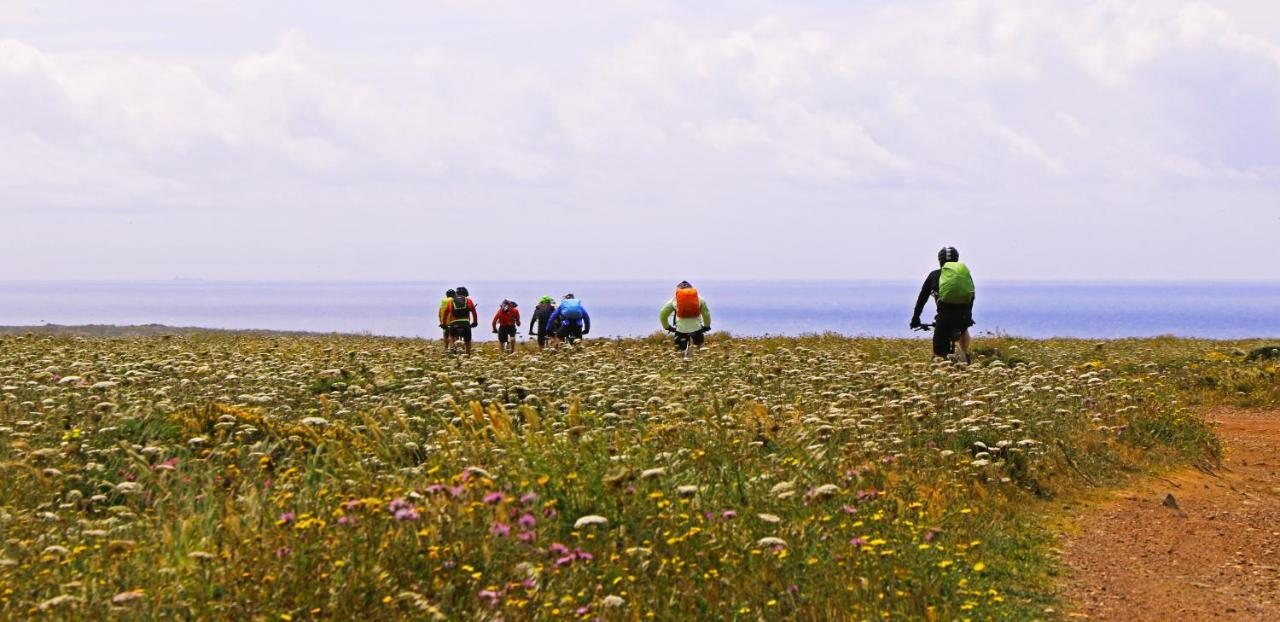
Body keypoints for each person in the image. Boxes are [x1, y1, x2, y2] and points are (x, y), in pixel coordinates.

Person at [911, 247, 975, 362]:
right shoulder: (964, 275)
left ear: (940, 261)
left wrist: (916, 318)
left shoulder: (934, 275)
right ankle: (964, 354)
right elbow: (971, 295)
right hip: (964, 314)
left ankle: (941, 363)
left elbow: (922, 298)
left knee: (939, 355)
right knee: (964, 329)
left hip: (944, 316)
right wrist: (969, 315)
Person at [659, 281, 711, 351]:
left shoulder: (674, 300)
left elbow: (663, 315)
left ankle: (682, 357)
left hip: (681, 330)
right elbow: (706, 315)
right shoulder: (700, 299)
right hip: (697, 329)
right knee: (700, 350)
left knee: (679, 353)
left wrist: (667, 327)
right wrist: (706, 326)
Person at [442, 286, 479, 355]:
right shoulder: (468, 300)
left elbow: (445, 313)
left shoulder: (451, 301)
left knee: (452, 336)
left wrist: (444, 324)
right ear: (466, 294)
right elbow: (474, 312)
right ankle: (468, 355)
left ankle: (452, 349)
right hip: (465, 324)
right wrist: (475, 322)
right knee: (467, 341)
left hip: (454, 324)